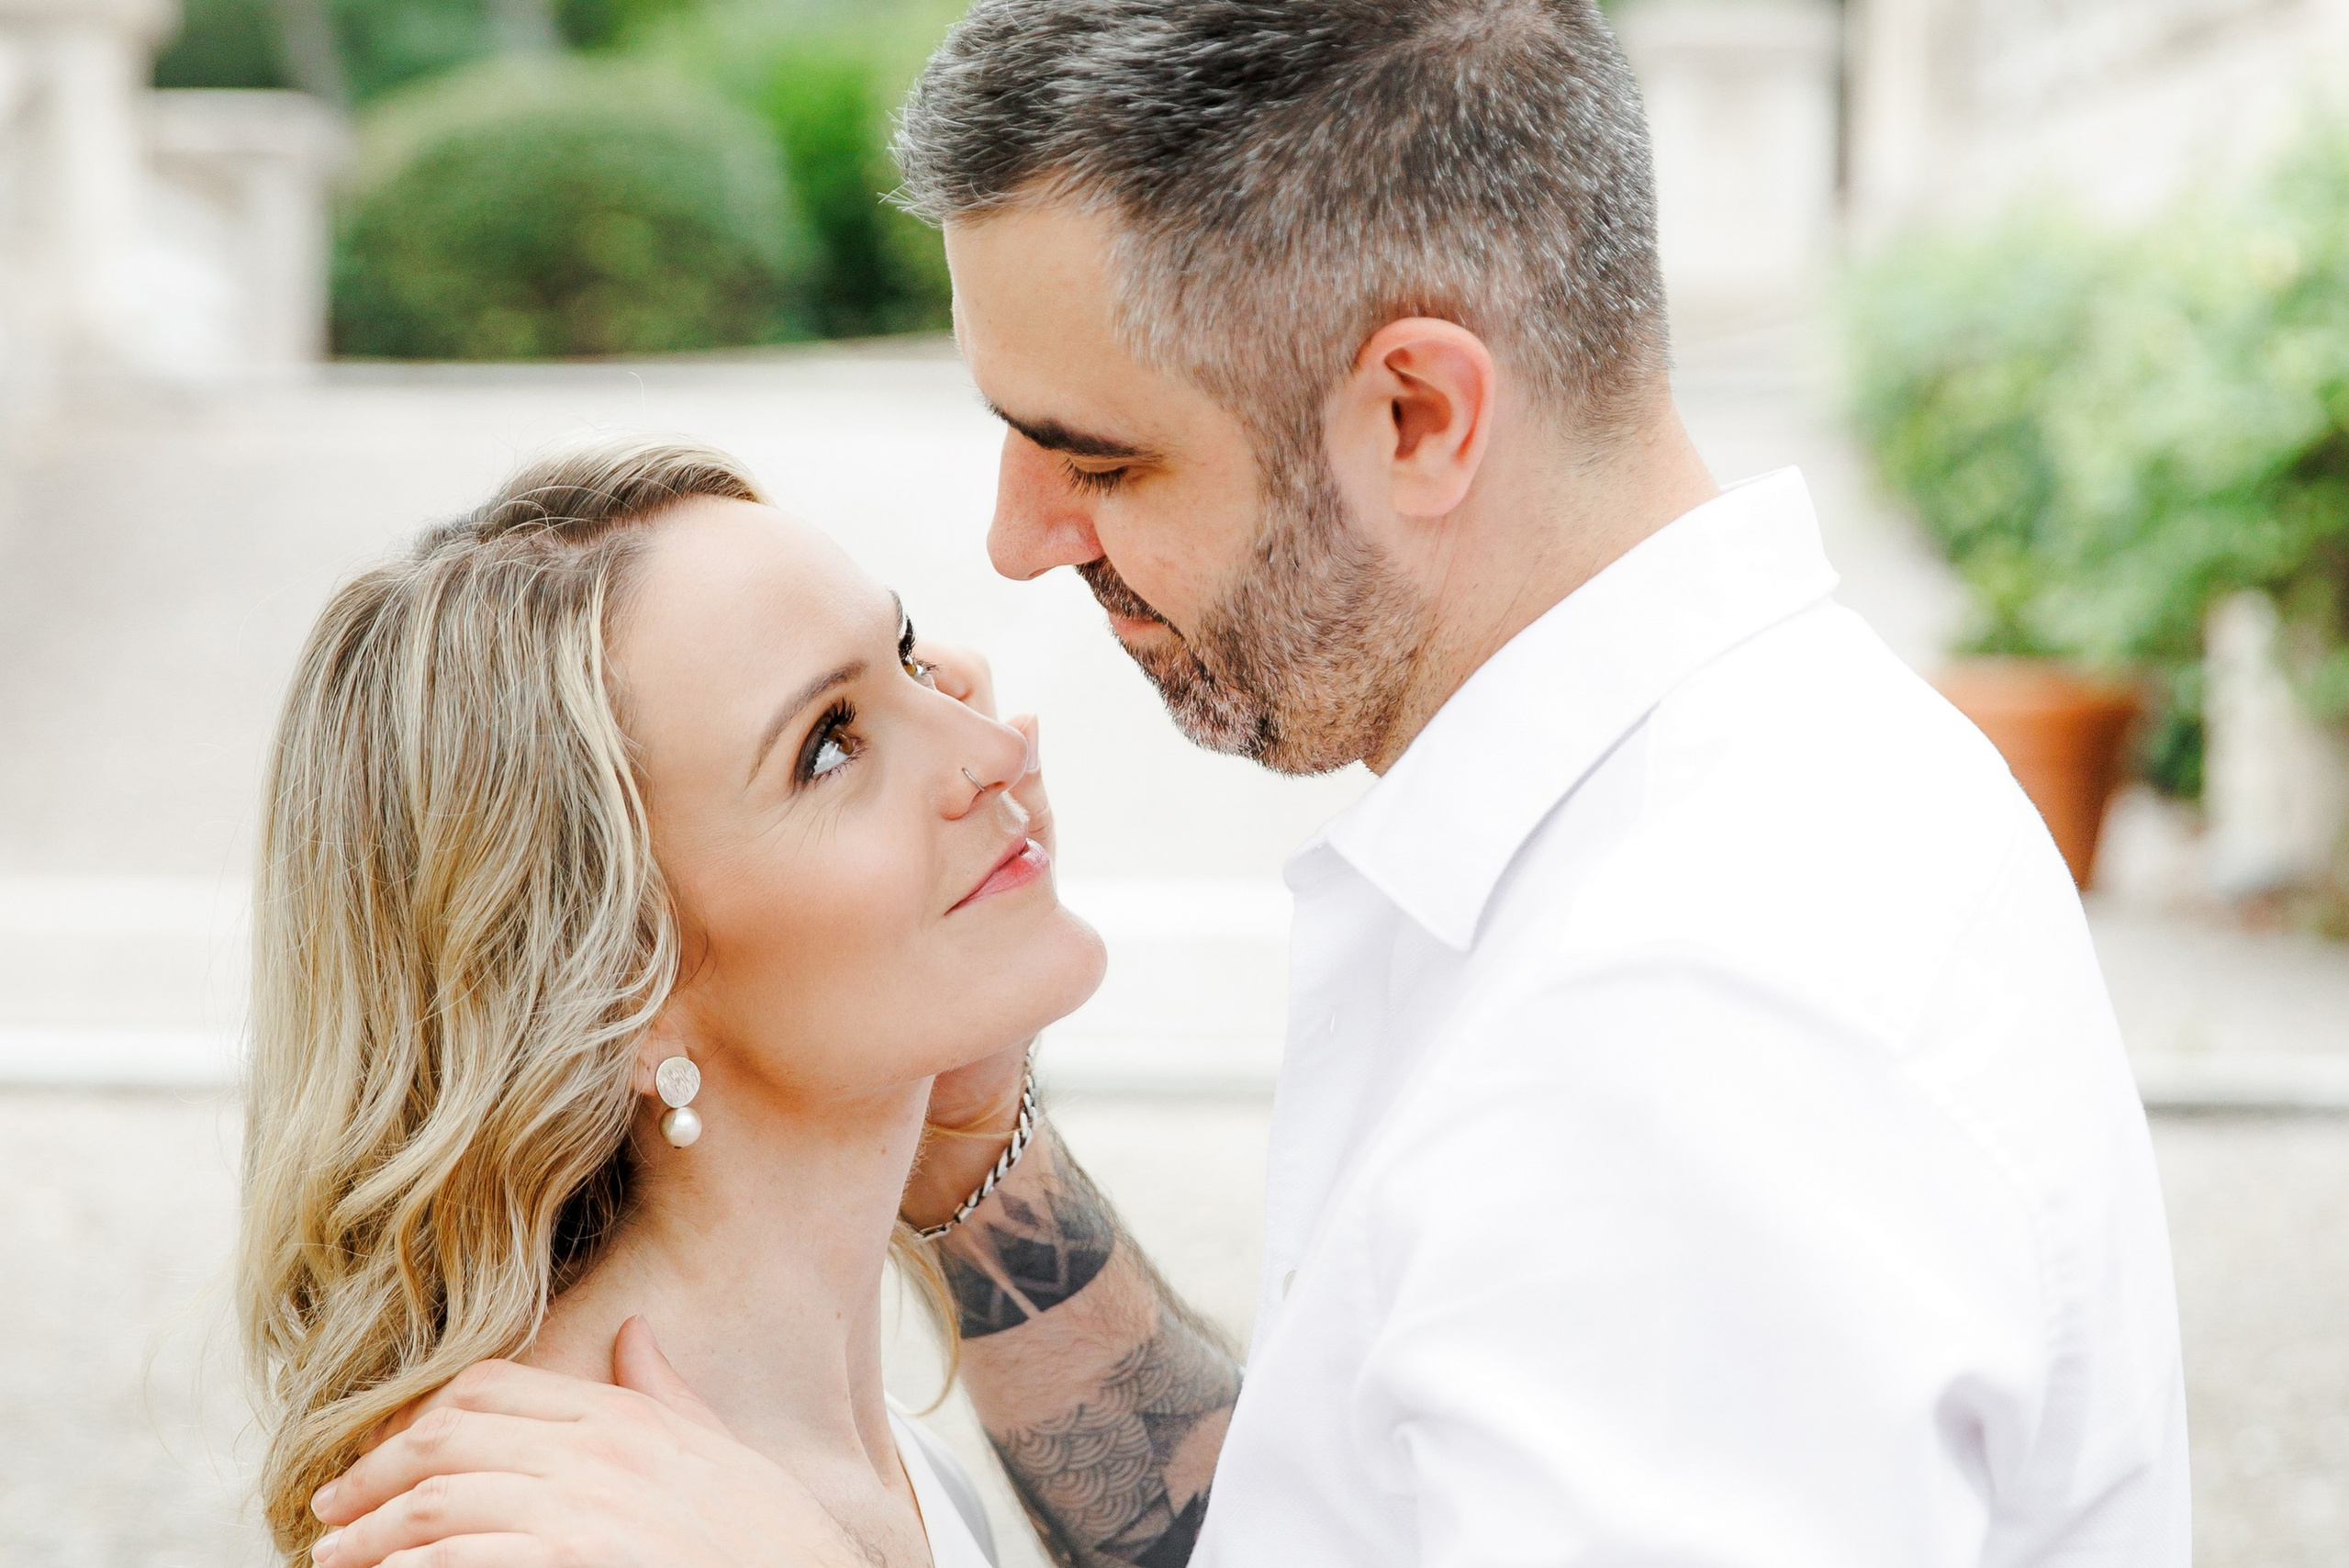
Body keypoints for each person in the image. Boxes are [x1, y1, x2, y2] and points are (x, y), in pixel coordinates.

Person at [309, 2, 2192, 1565]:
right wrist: (976, 1174)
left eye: (1097, 457)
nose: (1020, 543)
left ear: (1416, 416)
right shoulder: (1723, 818)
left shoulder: (1690, 1021)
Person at [239, 437, 1113, 1568]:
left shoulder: (851, 1465)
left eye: (906, 659)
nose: (993, 747)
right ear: (621, 984)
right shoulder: (534, 1538)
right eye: (831, 747)